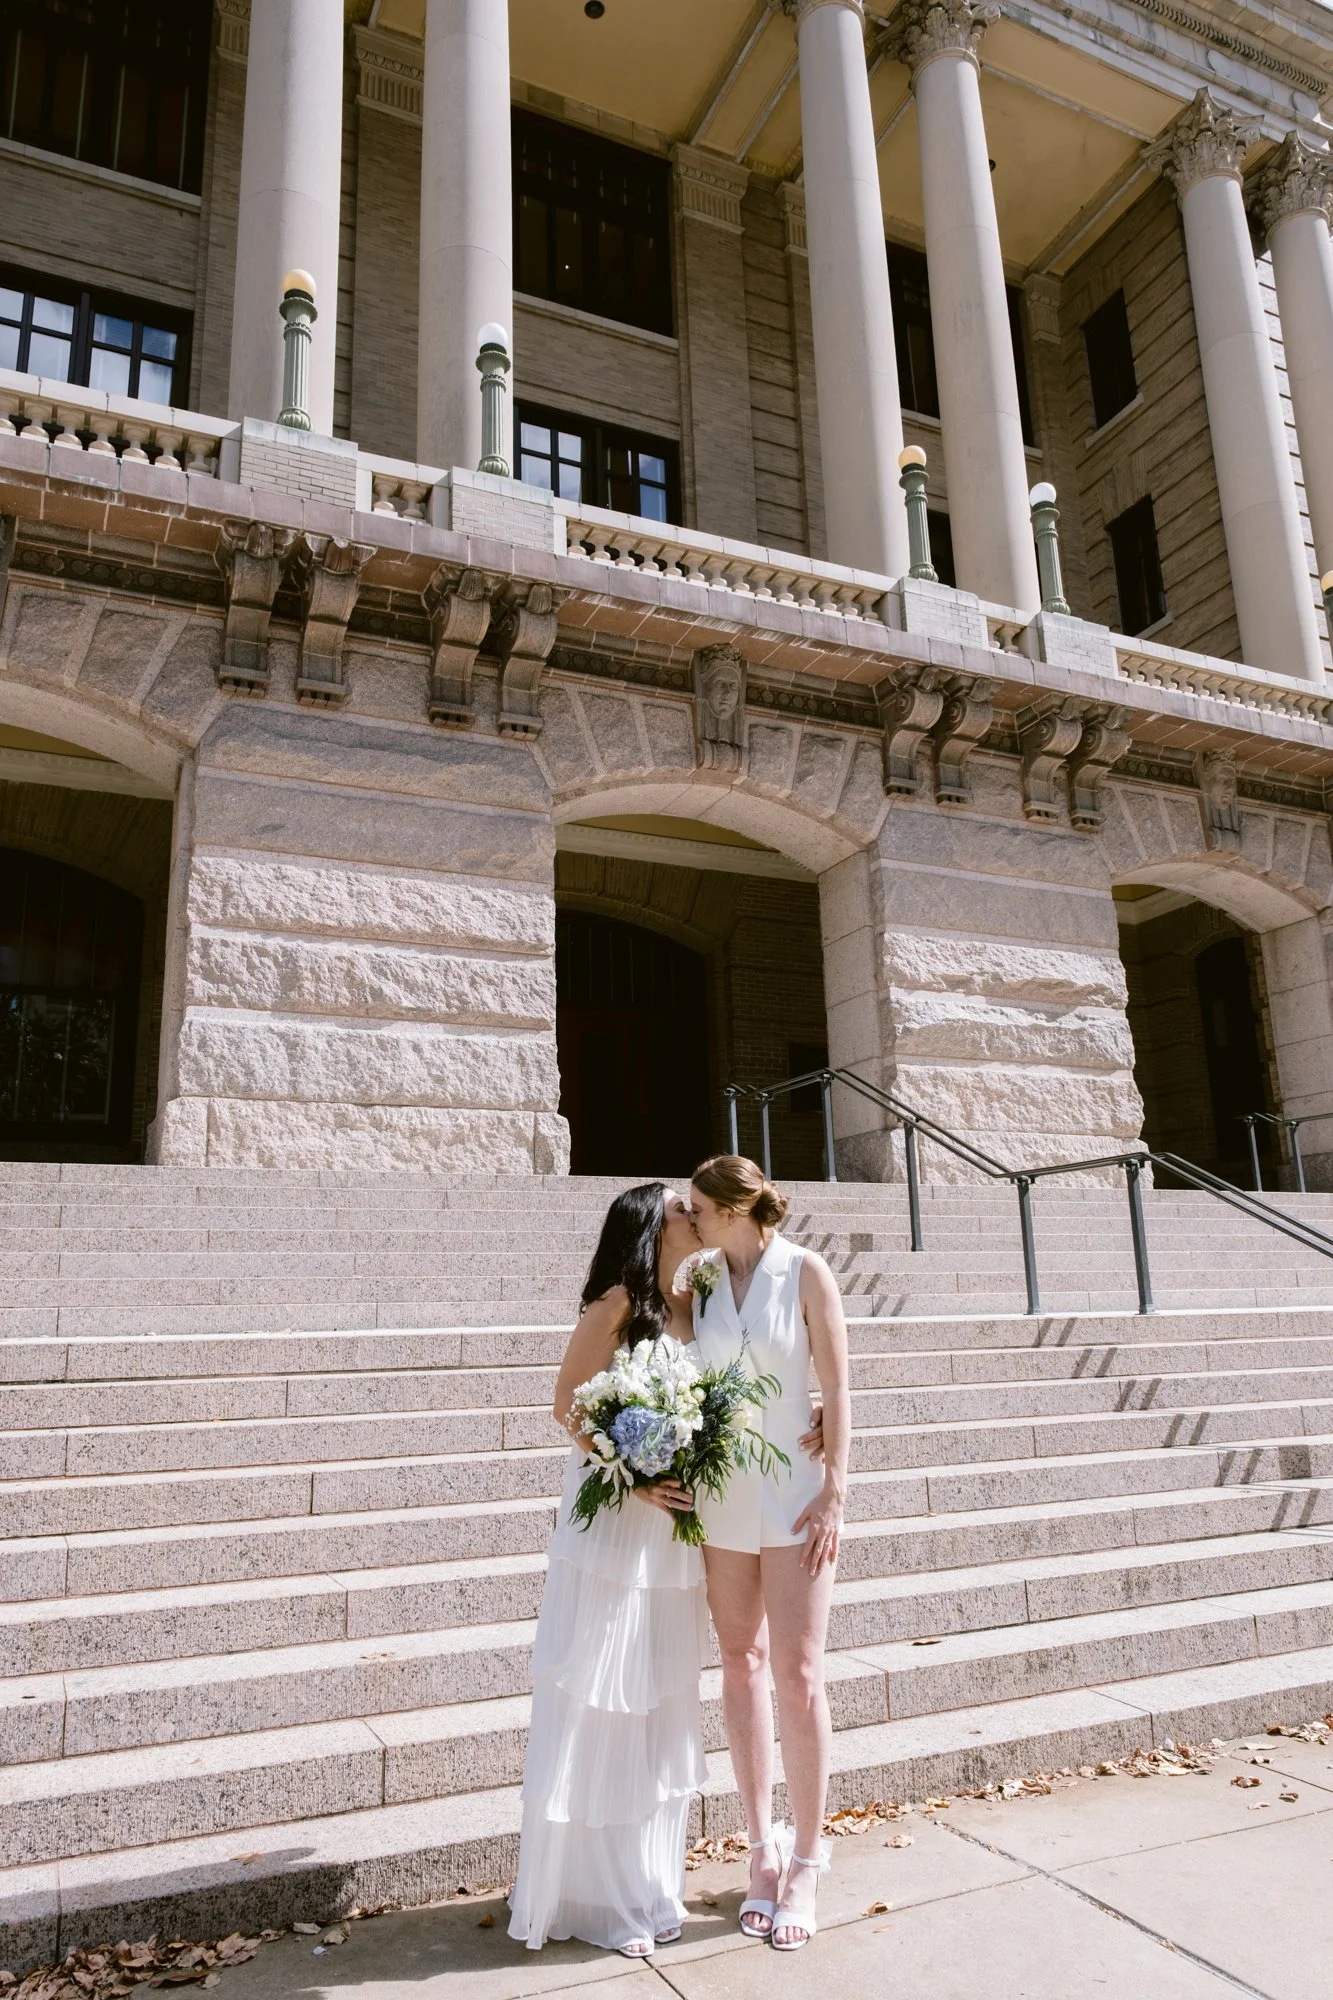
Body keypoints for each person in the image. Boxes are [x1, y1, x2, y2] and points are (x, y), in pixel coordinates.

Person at [508, 1181, 705, 1958]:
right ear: (651, 1229)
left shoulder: (698, 1304)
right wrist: (633, 1468)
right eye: (681, 1211)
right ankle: (590, 1893)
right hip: (619, 1522)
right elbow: (567, 1404)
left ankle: (647, 1882)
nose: (693, 1216)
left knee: (655, 1698)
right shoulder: (616, 1303)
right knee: (601, 1693)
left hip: (674, 1537)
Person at [688, 1154, 851, 1952]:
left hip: (795, 1491)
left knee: (799, 1671)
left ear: (736, 1208)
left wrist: (837, 1485)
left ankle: (809, 1860)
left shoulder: (805, 1271)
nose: (691, 1220)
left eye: (700, 1208)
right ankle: (760, 1850)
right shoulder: (701, 1280)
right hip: (721, 1495)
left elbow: (839, 1383)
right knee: (738, 1663)